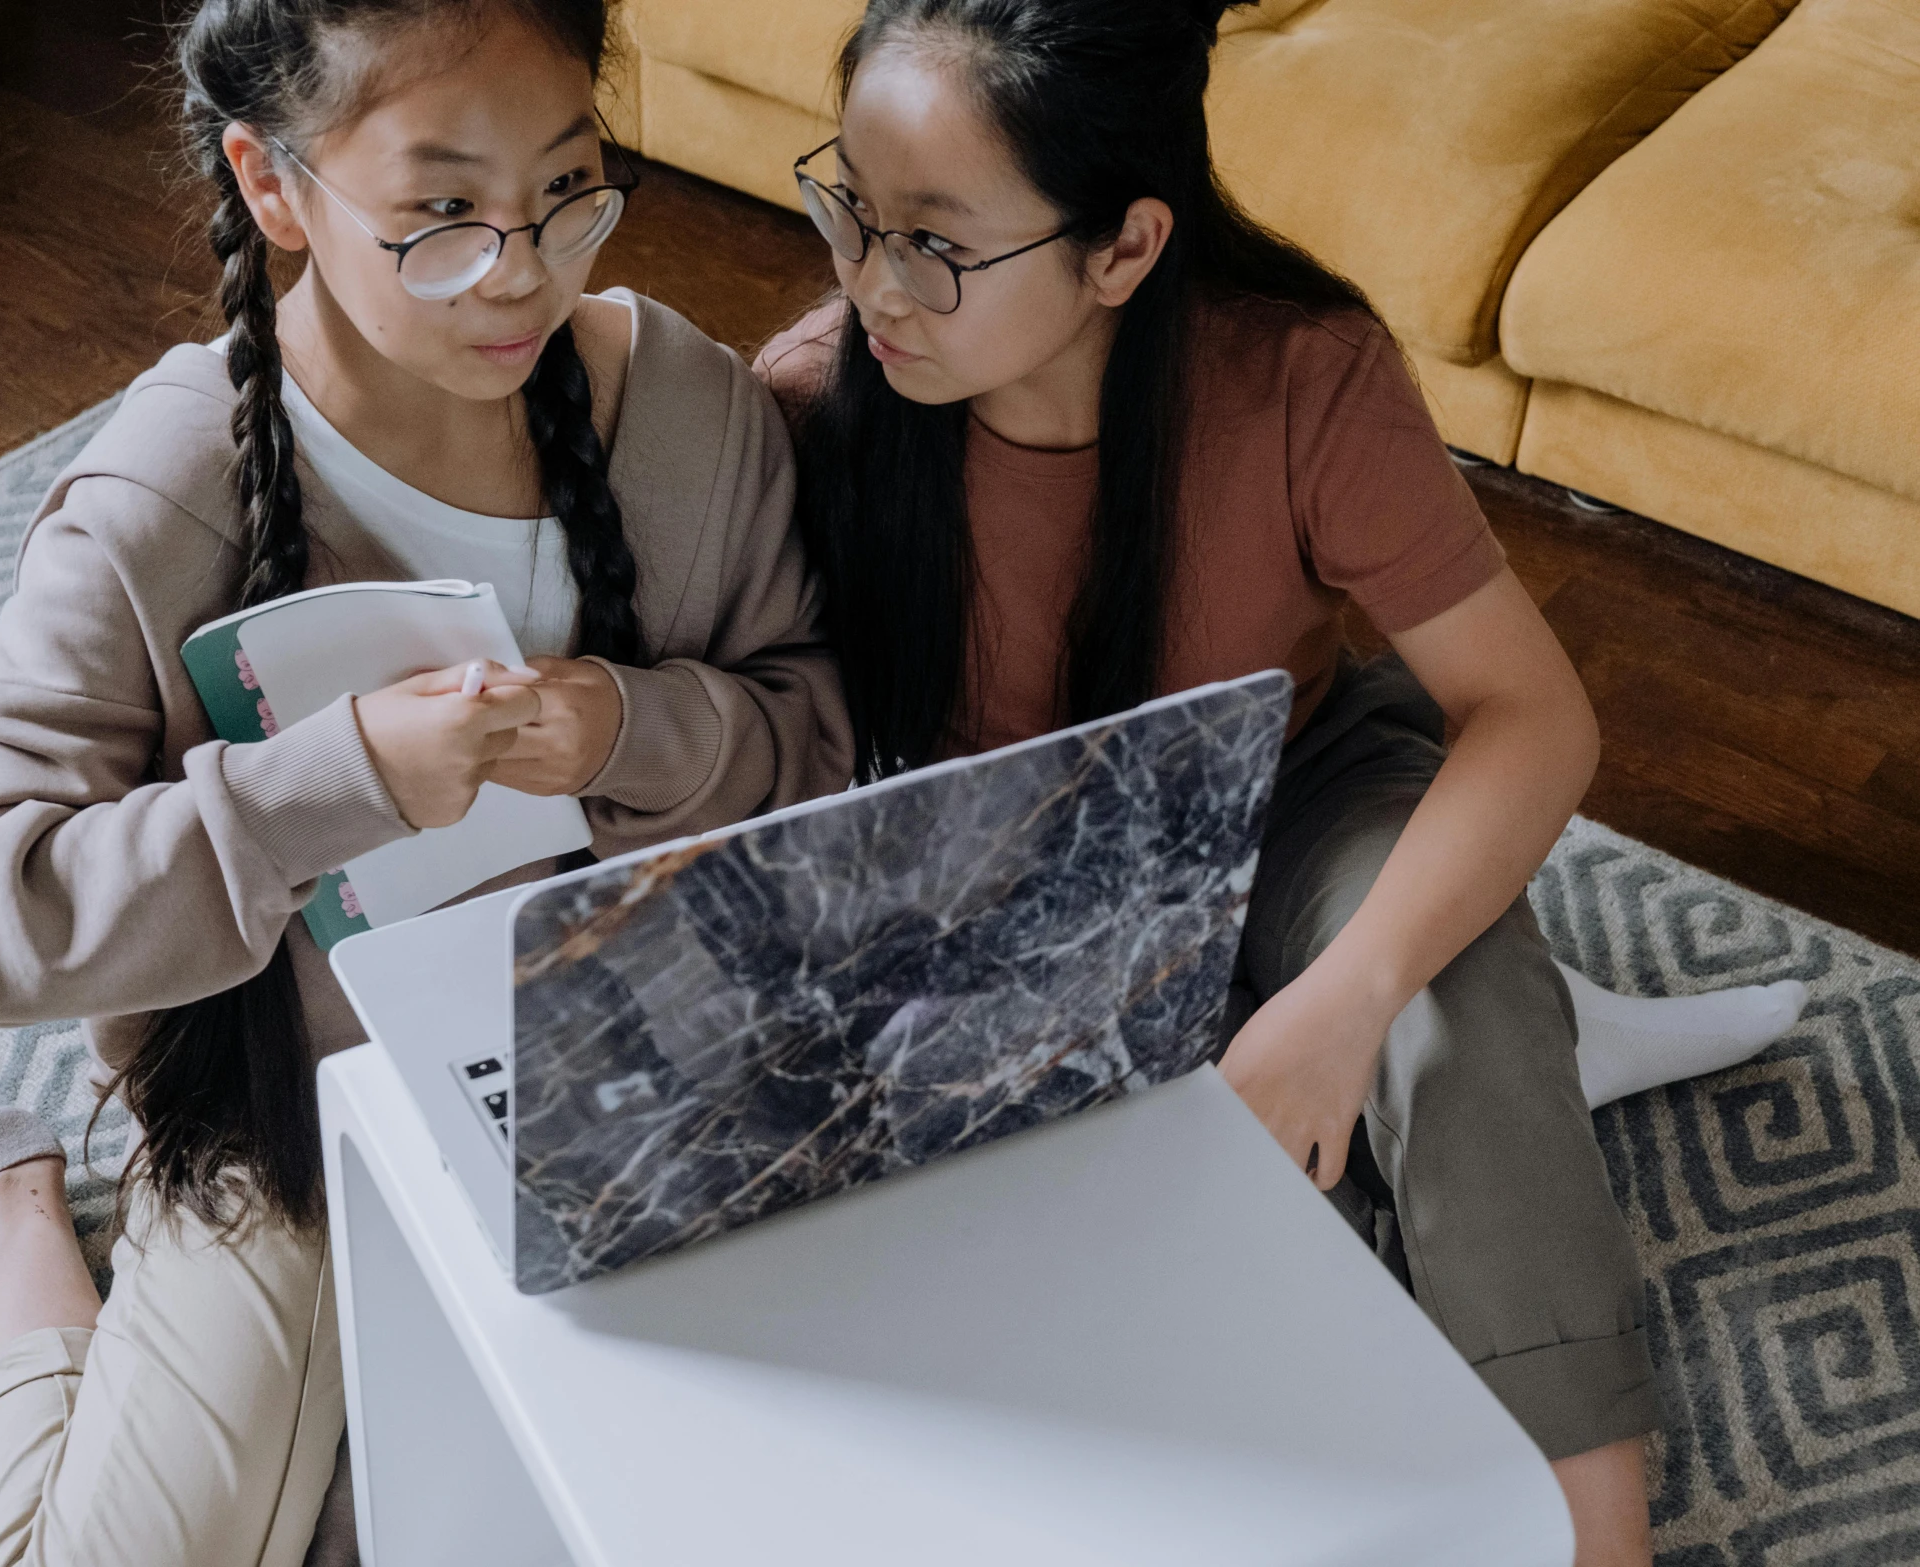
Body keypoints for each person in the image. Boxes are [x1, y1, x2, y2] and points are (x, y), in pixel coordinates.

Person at [0, 1, 849, 1563]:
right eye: (439, 215)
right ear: (273, 183)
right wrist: (333, 781)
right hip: (294, 1123)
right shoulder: (164, 492)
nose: (520, 269)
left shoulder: (686, 412)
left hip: (621, 1067)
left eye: (568, 187)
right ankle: (2, 1205)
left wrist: (628, 730)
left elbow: (819, 738)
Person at [757, 2, 1794, 1560]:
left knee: (1448, 1013)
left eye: (933, 244)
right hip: (1018, 855)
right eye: (853, 208)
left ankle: (1594, 1530)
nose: (871, 284)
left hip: (1290, 780)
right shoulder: (818, 400)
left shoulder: (1300, 380)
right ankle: (1479, 1077)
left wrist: (1356, 990)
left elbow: (1533, 718)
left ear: (1123, 248)